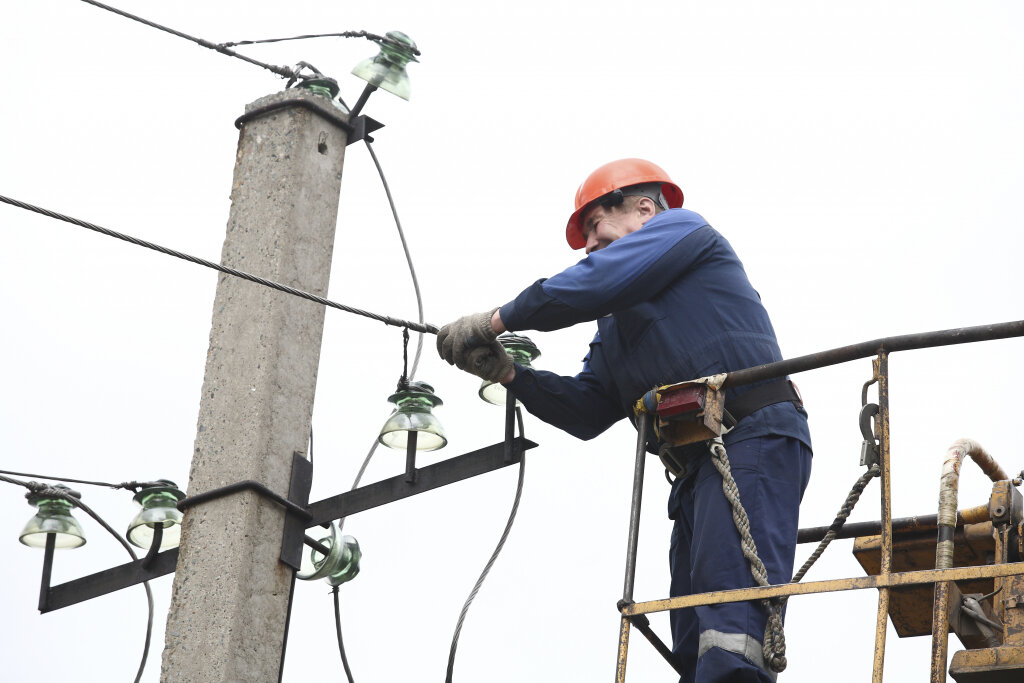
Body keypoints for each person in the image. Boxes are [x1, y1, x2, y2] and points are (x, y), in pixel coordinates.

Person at [436, 158, 812, 683]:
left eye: (596, 225)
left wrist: (494, 321)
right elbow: (588, 409)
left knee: (732, 641)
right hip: (697, 473)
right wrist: (510, 374)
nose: (589, 244)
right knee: (697, 651)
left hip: (751, 439)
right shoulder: (614, 326)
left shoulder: (685, 230)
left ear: (643, 208)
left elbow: (597, 280)